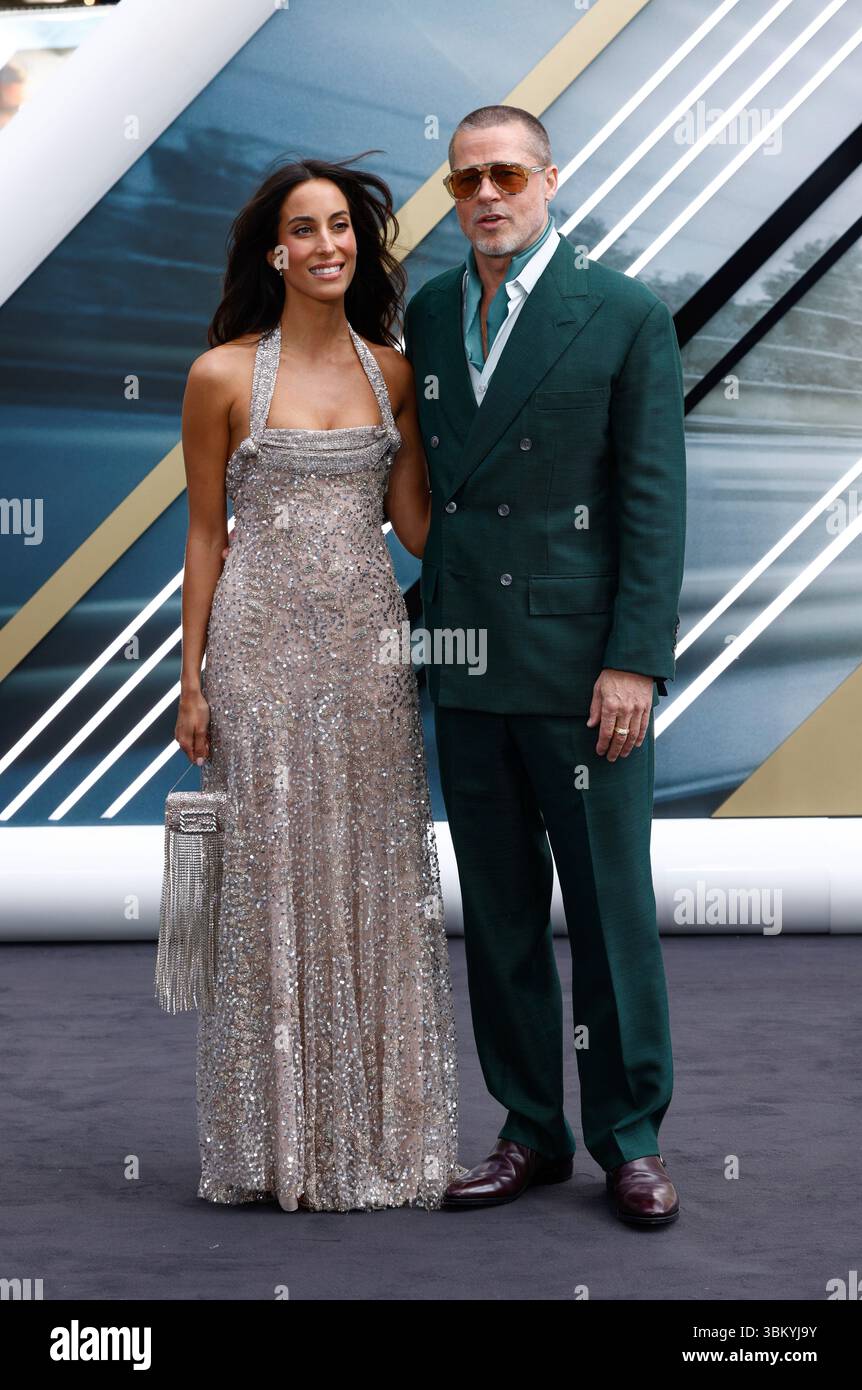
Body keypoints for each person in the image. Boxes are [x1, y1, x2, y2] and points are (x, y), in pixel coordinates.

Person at [402, 105, 686, 1225]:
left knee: (612, 913)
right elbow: (436, 497)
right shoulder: (428, 313)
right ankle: (530, 1128)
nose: (486, 194)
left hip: (585, 676)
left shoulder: (624, 314)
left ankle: (632, 1137)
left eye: (507, 172)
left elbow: (651, 504)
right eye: (466, 177)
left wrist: (635, 663)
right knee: (504, 916)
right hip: (467, 663)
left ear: (550, 179)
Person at [174, 155, 460, 1213]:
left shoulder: (392, 372)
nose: (328, 244)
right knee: (269, 881)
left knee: (374, 873)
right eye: (306, 228)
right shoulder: (219, 376)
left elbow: (420, 525)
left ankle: (374, 1135)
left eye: (342, 225)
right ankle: (278, 1142)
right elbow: (206, 535)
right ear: (274, 250)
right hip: (258, 655)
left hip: (369, 657)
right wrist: (192, 677)